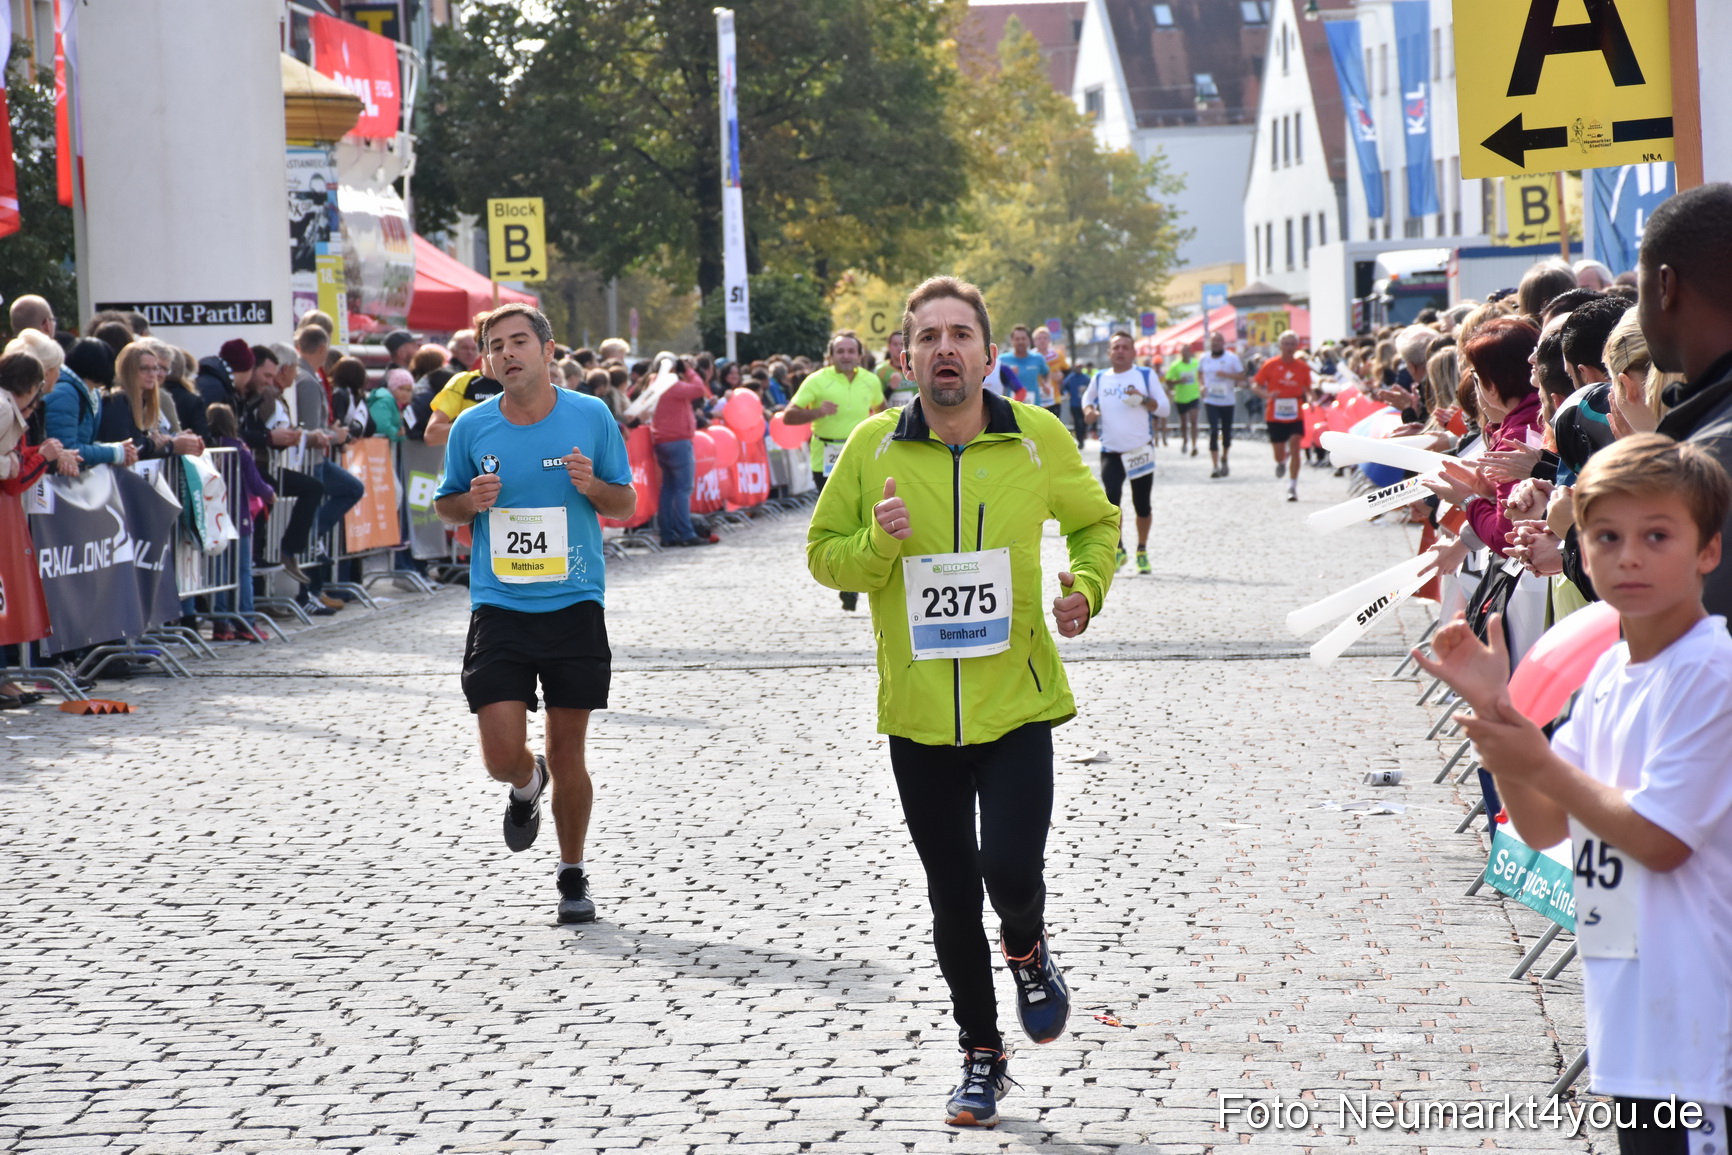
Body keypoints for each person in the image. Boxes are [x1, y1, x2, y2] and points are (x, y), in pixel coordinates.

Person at [806, 275, 1117, 1129]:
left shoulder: (1037, 438)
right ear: (906, 358)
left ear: (987, 353)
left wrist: (1087, 587)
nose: (945, 347)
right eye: (928, 336)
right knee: (950, 894)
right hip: (918, 716)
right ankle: (981, 1053)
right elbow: (823, 553)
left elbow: (1095, 523)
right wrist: (878, 544)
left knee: (1010, 872)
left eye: (960, 334)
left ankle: (1027, 944)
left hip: (1016, 703)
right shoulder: (871, 446)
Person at [1413, 434, 1732, 1153]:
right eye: (1607, 536)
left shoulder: (1708, 673)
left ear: (1708, 550)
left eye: (1657, 536)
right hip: (1631, 1017)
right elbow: (1544, 825)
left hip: (1699, 1029)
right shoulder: (1613, 671)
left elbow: (1661, 840)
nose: (1629, 557)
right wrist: (1498, 714)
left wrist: (1535, 757)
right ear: (1579, 549)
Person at [433, 304, 635, 925]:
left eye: (519, 341)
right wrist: (471, 501)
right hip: (501, 605)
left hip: (574, 603)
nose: (507, 353)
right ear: (486, 360)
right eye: (496, 345)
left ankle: (572, 873)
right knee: (499, 754)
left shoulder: (590, 415)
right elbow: (445, 506)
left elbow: (625, 502)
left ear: (548, 350)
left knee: (569, 753)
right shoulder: (472, 427)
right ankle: (526, 784)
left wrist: (592, 487)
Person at [784, 329, 884, 610]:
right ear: (830, 356)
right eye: (840, 351)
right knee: (841, 522)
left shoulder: (870, 380)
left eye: (851, 351)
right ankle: (848, 582)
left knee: (864, 517)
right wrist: (817, 412)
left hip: (862, 455)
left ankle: (861, 574)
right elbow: (788, 416)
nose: (846, 356)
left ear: (860, 355)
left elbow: (882, 410)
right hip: (826, 458)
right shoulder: (817, 380)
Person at [1082, 331, 1169, 574]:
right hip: (1111, 450)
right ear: (1109, 352)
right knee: (1111, 502)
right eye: (1116, 347)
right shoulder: (1100, 377)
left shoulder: (1145, 375)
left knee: (1142, 504)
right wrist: (1089, 412)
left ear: (1133, 352)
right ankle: (1118, 548)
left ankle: (1142, 549)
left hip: (1140, 450)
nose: (1120, 351)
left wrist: (1143, 399)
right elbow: (1087, 399)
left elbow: (1163, 409)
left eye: (1125, 347)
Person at [98, 342, 203, 459]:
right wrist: (167, 445)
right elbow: (126, 447)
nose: (152, 374)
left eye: (155, 369)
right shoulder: (117, 401)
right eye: (144, 369)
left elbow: (141, 444)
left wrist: (169, 439)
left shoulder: (144, 402)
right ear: (129, 370)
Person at [1250, 330, 1312, 501]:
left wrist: (1312, 401)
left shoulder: (1302, 367)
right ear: (1280, 346)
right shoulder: (1270, 365)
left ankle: (1292, 487)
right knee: (1278, 454)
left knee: (1295, 444)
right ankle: (1281, 461)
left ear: (1297, 346)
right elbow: (1255, 385)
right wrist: (1267, 395)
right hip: (1275, 414)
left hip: (1295, 412)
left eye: (1292, 344)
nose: (1289, 347)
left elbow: (1308, 389)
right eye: (1286, 344)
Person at [1198, 331, 1245, 478]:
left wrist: (1227, 375)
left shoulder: (1232, 358)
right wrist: (1201, 386)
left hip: (1227, 401)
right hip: (1210, 400)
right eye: (1213, 341)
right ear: (1210, 343)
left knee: (1226, 432)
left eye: (1218, 340)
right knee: (1213, 431)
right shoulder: (1204, 358)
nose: (1216, 343)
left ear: (1223, 343)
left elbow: (1242, 375)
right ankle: (1215, 466)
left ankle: (1224, 457)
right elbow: (1200, 373)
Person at [996, 324, 1052, 413]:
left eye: (1023, 338)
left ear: (1029, 340)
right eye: (1017, 339)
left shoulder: (1038, 358)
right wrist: (1008, 374)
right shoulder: (1002, 360)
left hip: (1034, 408)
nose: (1021, 342)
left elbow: (1046, 372)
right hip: (1011, 409)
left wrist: (1047, 384)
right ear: (1012, 341)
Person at [1162, 341, 1202, 457]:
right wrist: (1179, 381)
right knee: (1184, 423)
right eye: (1183, 351)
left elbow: (1201, 376)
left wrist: (1202, 386)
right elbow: (1168, 381)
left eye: (1187, 351)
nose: (1185, 353)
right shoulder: (1175, 365)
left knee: (1194, 421)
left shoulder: (1196, 363)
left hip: (1194, 395)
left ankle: (1194, 445)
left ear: (1190, 352)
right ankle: (1185, 440)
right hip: (1181, 397)